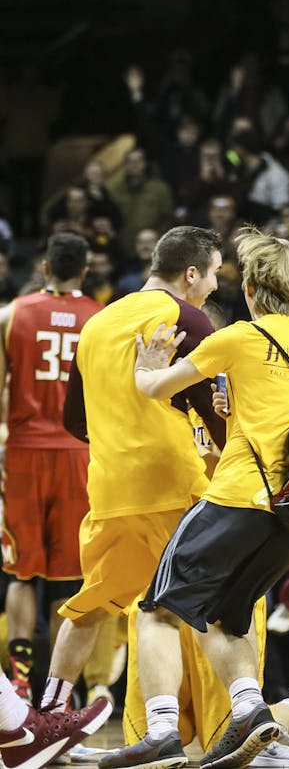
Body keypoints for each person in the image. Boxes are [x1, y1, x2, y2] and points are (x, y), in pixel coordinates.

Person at [104, 229, 289, 769]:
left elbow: (158, 388)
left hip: (238, 496)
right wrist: (235, 409)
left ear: (250, 288)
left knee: (156, 610)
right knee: (228, 618)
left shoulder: (242, 338)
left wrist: (146, 367)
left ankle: (160, 732)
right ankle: (251, 711)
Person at [46, 227, 227, 716]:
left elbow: (73, 421)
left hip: (108, 489)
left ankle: (49, 716)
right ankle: (232, 718)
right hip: (172, 485)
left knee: (94, 604)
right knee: (211, 605)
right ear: (191, 273)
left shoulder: (98, 323)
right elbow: (215, 413)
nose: (213, 286)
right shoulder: (187, 318)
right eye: (212, 274)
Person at [0, 233, 100, 701]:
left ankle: (20, 684)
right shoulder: (101, 318)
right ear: (85, 269)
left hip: (22, 452)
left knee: (22, 573)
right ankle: (59, 693)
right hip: (79, 453)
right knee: (69, 577)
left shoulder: (12, 313)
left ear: (44, 266)